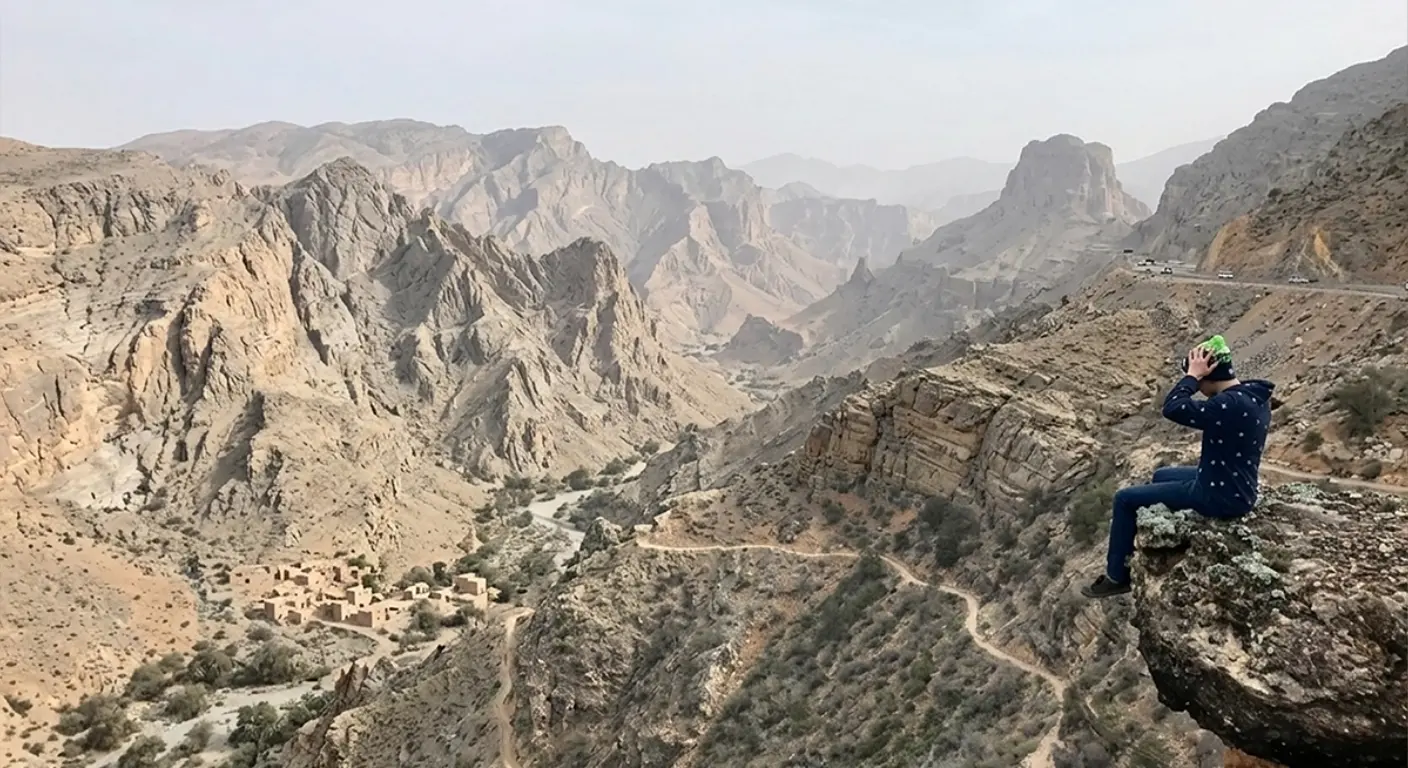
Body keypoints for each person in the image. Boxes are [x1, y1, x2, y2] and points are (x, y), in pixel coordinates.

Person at [1082, 335, 1275, 598]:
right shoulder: (1253, 394)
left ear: (1207, 376)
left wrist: (1191, 377)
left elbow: (1173, 408)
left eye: (1200, 381)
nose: (1199, 388)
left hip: (1218, 495)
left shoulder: (1227, 405)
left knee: (1124, 499)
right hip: (1236, 483)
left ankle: (1117, 577)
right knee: (1161, 475)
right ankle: (1161, 528)